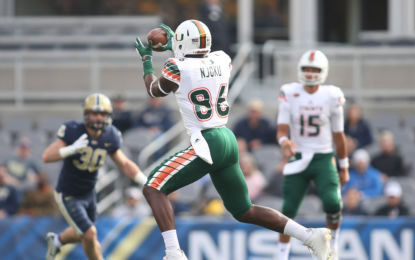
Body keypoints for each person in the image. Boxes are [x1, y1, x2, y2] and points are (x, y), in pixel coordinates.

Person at [135, 20, 332, 260]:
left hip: (207, 141)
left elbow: (154, 90)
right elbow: (196, 62)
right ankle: (309, 236)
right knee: (243, 210)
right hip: (228, 139)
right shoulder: (222, 59)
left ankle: (174, 253)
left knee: (153, 187)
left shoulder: (176, 67)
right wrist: (176, 45)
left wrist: (146, 61)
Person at [42, 93, 148, 260]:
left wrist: (145, 181)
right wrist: (70, 149)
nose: (99, 118)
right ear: (86, 114)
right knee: (90, 233)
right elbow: (47, 156)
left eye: (102, 114)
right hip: (69, 193)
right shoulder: (73, 131)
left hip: (89, 193)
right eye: (95, 113)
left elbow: (125, 164)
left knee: (86, 235)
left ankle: (57, 240)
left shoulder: (110, 135)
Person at [276, 50, 349, 260]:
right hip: (298, 155)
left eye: (314, 69)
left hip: (323, 156)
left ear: (323, 71)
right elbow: (281, 130)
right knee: (288, 209)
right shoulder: (289, 92)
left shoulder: (332, 95)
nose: (309, 73)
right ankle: (281, 256)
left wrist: (344, 167)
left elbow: (339, 136)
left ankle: (333, 247)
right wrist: (284, 142)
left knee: (333, 203)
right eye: (306, 69)